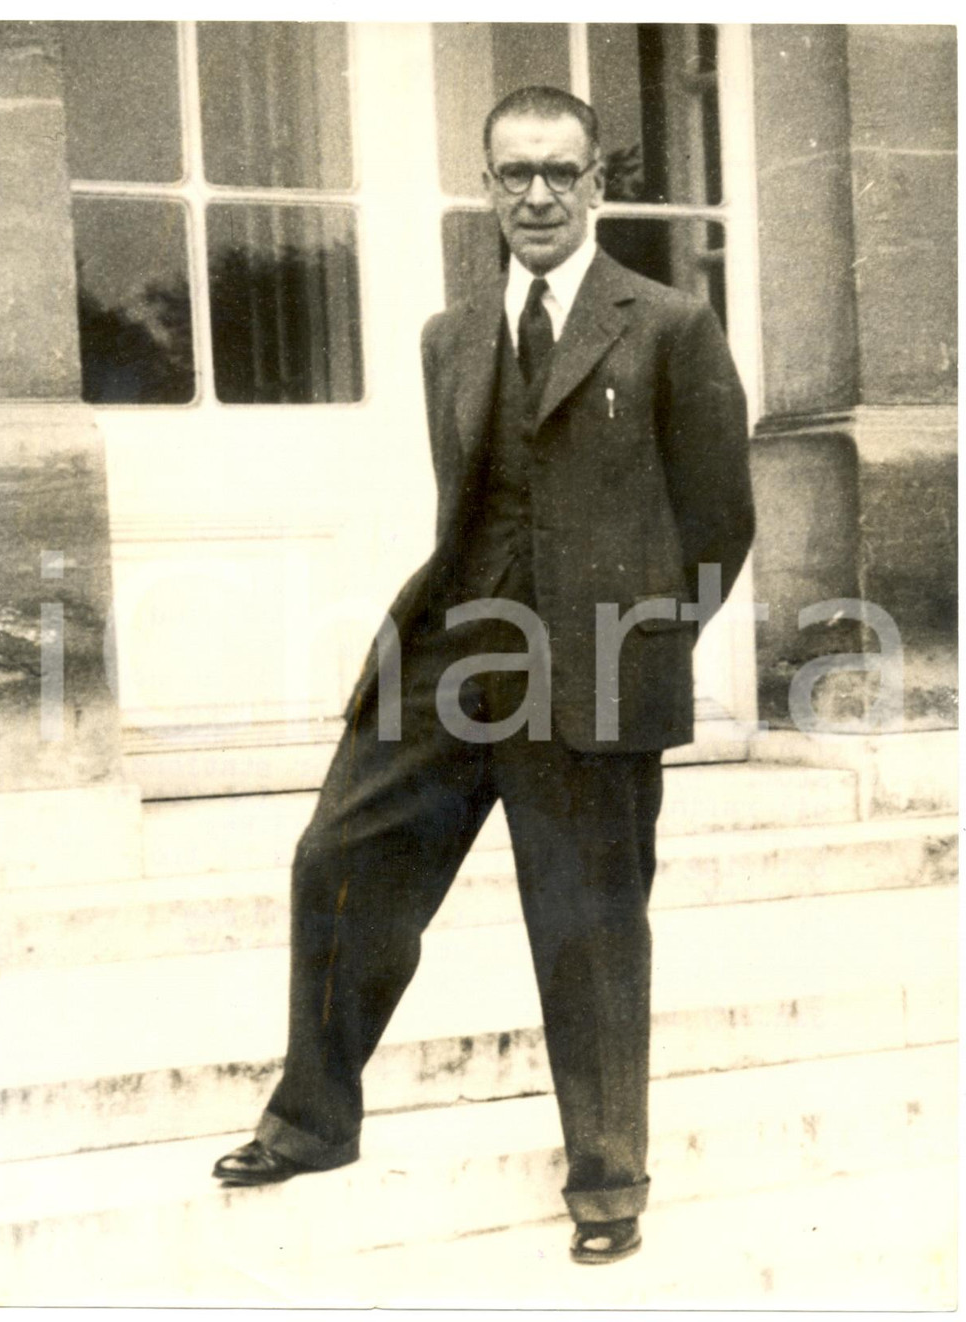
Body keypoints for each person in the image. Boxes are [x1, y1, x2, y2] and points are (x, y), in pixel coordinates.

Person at [214, 85, 755, 1266]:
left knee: (589, 924)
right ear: (487, 185)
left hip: (592, 674)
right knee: (338, 856)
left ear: (599, 186)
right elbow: (469, 504)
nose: (538, 196)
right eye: (514, 174)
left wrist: (641, 652)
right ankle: (313, 1120)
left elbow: (720, 521)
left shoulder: (666, 326)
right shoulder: (448, 336)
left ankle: (608, 1180)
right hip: (456, 657)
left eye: (561, 173)